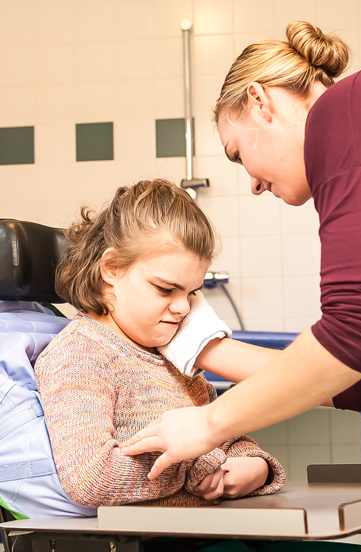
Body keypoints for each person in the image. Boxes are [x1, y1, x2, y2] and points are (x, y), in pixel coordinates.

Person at [121, 20, 361, 480]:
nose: (251, 183)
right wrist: (199, 345)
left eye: (237, 154)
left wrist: (207, 424)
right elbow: (358, 381)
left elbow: (354, 332)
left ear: (260, 100)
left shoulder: (344, 111)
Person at [35, 178, 285, 509]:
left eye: (192, 292)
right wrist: (196, 465)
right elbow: (91, 479)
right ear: (112, 268)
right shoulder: (81, 354)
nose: (183, 307)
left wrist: (256, 467)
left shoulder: (173, 352)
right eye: (166, 289)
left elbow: (226, 439)